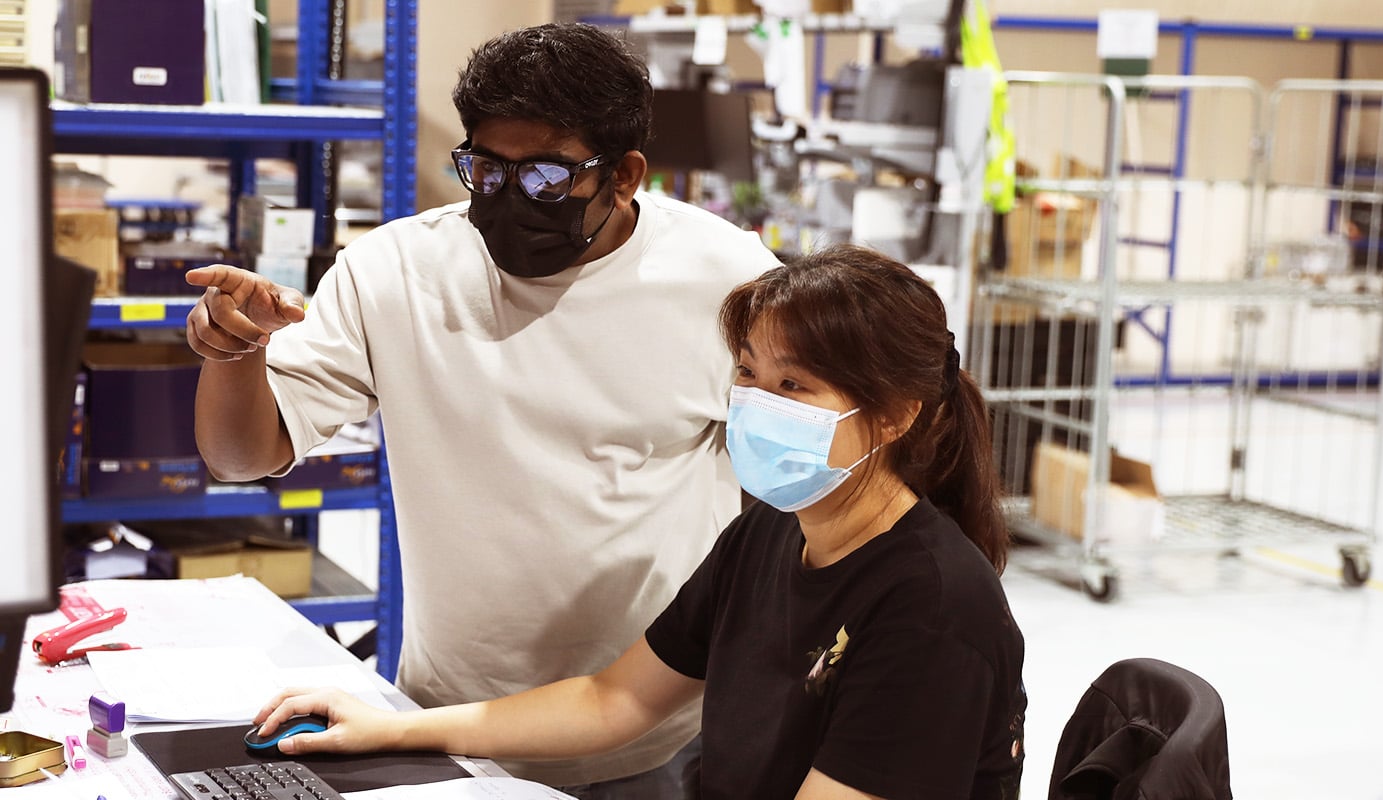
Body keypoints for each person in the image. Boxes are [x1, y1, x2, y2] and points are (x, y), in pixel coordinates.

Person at [183, 22, 779, 795]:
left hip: (655, 734)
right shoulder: (396, 272)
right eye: (488, 172)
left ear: (624, 175)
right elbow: (240, 457)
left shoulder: (726, 281)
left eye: (544, 178)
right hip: (445, 727)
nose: (508, 199)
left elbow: (797, 483)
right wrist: (235, 353)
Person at [251, 244, 1028, 800]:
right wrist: (390, 727)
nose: (756, 405)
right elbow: (612, 701)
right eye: (749, 375)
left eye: (795, 385)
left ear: (892, 417)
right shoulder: (770, 533)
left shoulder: (932, 609)